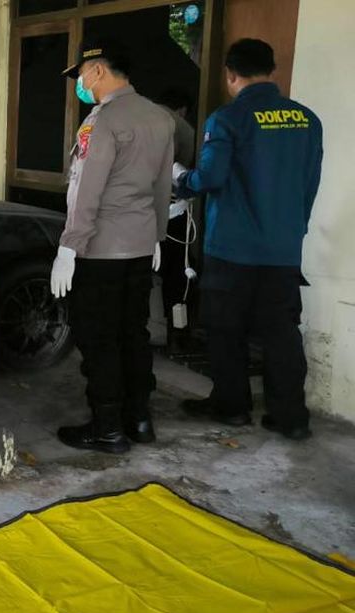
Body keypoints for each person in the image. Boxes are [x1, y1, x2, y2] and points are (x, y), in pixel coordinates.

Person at [175, 38, 323, 441]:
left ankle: (231, 407)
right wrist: (295, 229)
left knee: (226, 329)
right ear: (272, 71)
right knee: (281, 331)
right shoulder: (307, 120)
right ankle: (290, 416)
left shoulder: (227, 119)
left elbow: (211, 177)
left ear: (230, 75)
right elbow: (310, 185)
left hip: (232, 248)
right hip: (283, 248)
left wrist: (181, 180)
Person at [50, 39, 175, 454]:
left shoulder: (100, 122)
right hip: (140, 247)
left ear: (98, 71)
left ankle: (107, 428)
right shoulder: (160, 117)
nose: (80, 84)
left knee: (99, 337)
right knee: (133, 334)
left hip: (100, 249)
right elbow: (162, 185)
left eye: (81, 76)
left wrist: (69, 246)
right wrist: (157, 236)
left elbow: (87, 188)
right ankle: (139, 419)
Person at [154, 87, 198, 353]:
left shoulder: (138, 117)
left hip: (135, 215)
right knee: (178, 276)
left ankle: (136, 333)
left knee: (139, 274)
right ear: (183, 109)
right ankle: (177, 336)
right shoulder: (182, 127)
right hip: (173, 214)